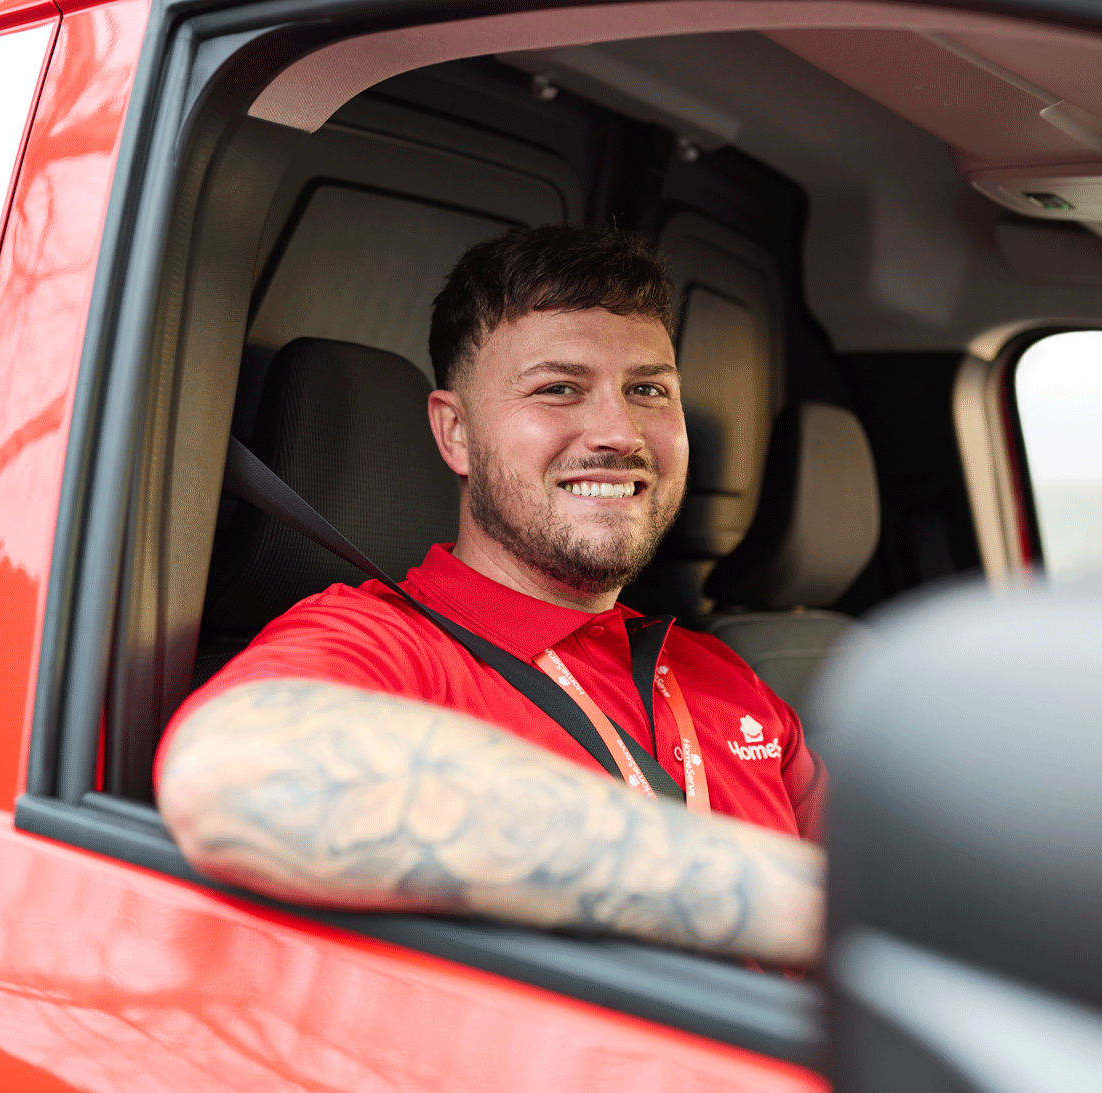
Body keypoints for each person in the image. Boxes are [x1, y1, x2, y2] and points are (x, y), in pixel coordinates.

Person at [157, 224, 825, 967]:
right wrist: (747, 889)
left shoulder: (721, 676)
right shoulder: (388, 645)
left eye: (648, 389)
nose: (619, 431)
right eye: (559, 389)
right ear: (456, 433)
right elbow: (226, 769)